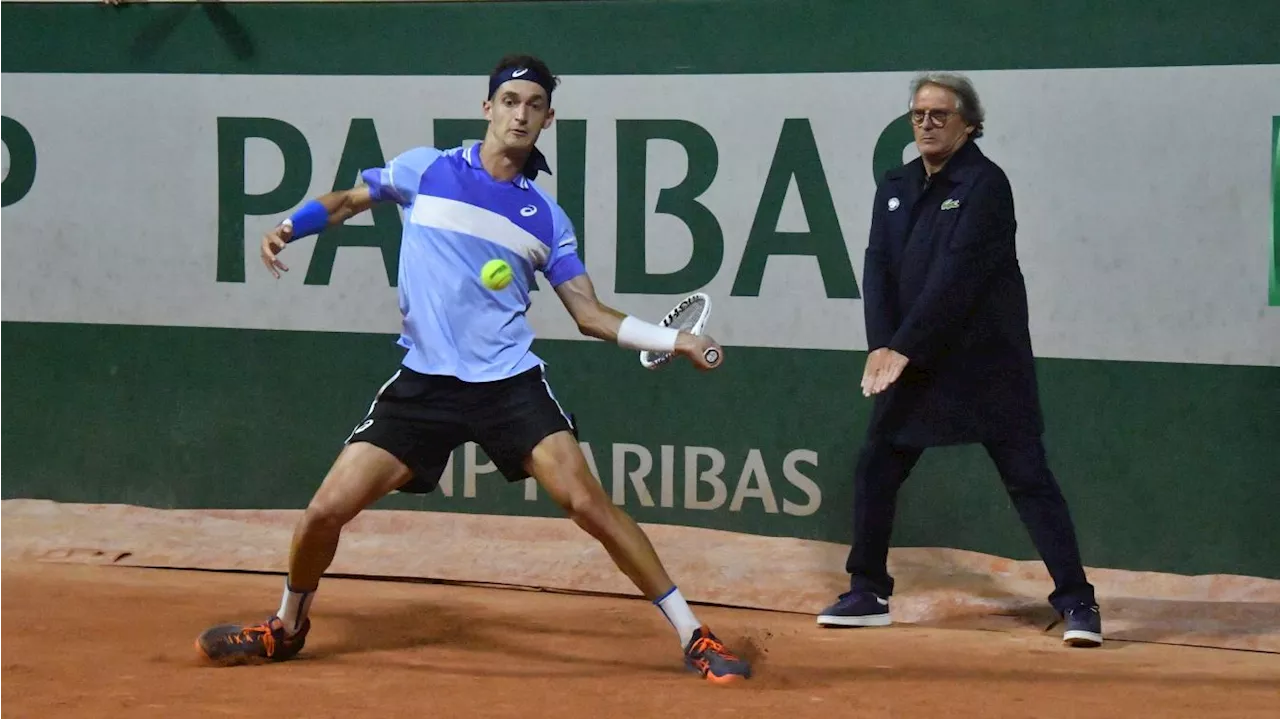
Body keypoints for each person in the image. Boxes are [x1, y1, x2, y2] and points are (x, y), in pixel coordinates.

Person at [195, 54, 751, 683]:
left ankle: (693, 634)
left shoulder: (545, 219)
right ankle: (287, 625)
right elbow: (351, 199)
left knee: (587, 503)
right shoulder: (425, 168)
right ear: (488, 107)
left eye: (534, 105)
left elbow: (590, 315)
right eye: (510, 100)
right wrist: (291, 225)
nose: (520, 113)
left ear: (547, 120)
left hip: (508, 384)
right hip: (424, 383)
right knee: (324, 512)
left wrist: (674, 339)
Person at [816, 72, 1103, 647]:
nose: (926, 123)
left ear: (969, 124)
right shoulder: (894, 184)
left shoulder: (986, 185)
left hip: (985, 365)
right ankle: (868, 591)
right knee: (877, 466)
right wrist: (881, 342)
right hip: (913, 361)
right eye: (918, 114)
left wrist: (902, 345)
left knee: (1028, 478)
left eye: (939, 115)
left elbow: (959, 277)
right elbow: (877, 266)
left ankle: (1078, 602)